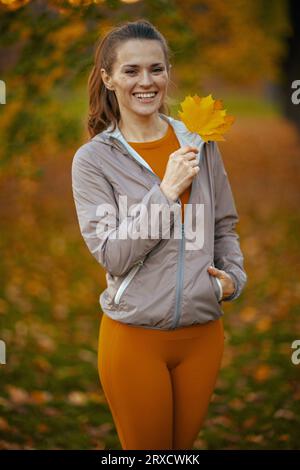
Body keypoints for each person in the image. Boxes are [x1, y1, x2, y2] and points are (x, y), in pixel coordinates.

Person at [71, 19, 247, 450]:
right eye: (131, 71)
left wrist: (233, 279)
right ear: (109, 78)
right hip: (134, 338)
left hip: (203, 335)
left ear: (168, 72)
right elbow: (113, 255)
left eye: (156, 69)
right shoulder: (93, 161)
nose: (145, 82)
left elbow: (223, 223)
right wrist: (165, 191)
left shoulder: (199, 142)